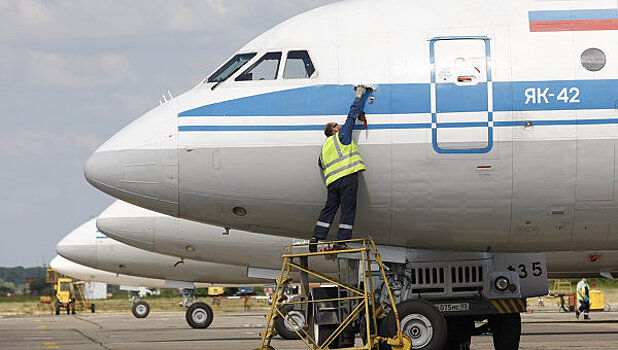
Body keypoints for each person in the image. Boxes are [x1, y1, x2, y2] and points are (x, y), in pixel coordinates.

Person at [310, 85, 369, 252]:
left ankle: (316, 237)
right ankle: (341, 241)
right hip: (348, 177)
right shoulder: (342, 136)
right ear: (333, 130)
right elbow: (352, 115)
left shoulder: (325, 147)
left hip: (332, 183)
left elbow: (320, 164)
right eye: (336, 124)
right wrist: (359, 96)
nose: (340, 125)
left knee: (329, 208)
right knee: (348, 208)